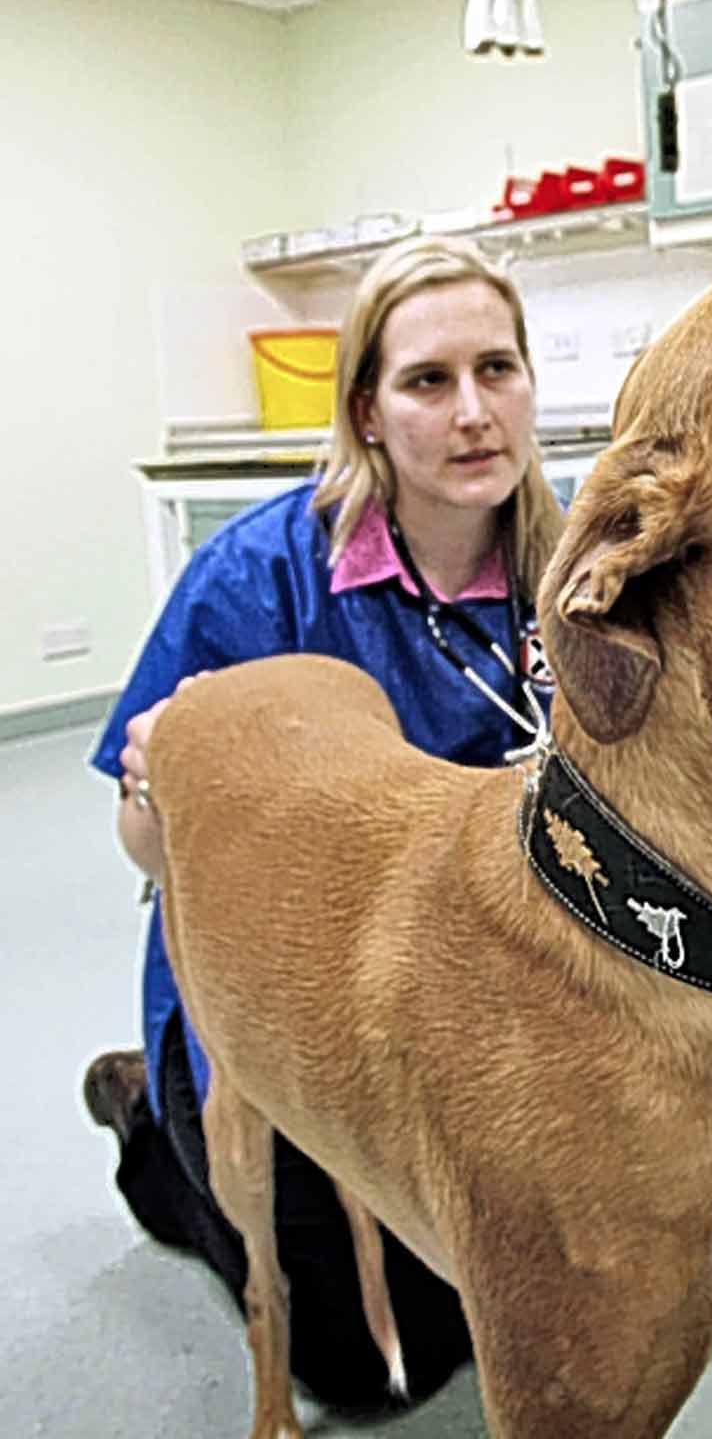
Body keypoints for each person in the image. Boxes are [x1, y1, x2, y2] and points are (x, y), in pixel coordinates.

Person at [81, 234, 562, 1412]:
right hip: (288, 1007)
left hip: (487, 1001)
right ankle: (154, 1121)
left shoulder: (571, 568)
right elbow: (143, 853)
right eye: (427, 382)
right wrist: (166, 790)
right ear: (365, 410)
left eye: (496, 370)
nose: (471, 415)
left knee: (549, 1282)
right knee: (371, 1369)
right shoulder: (260, 581)